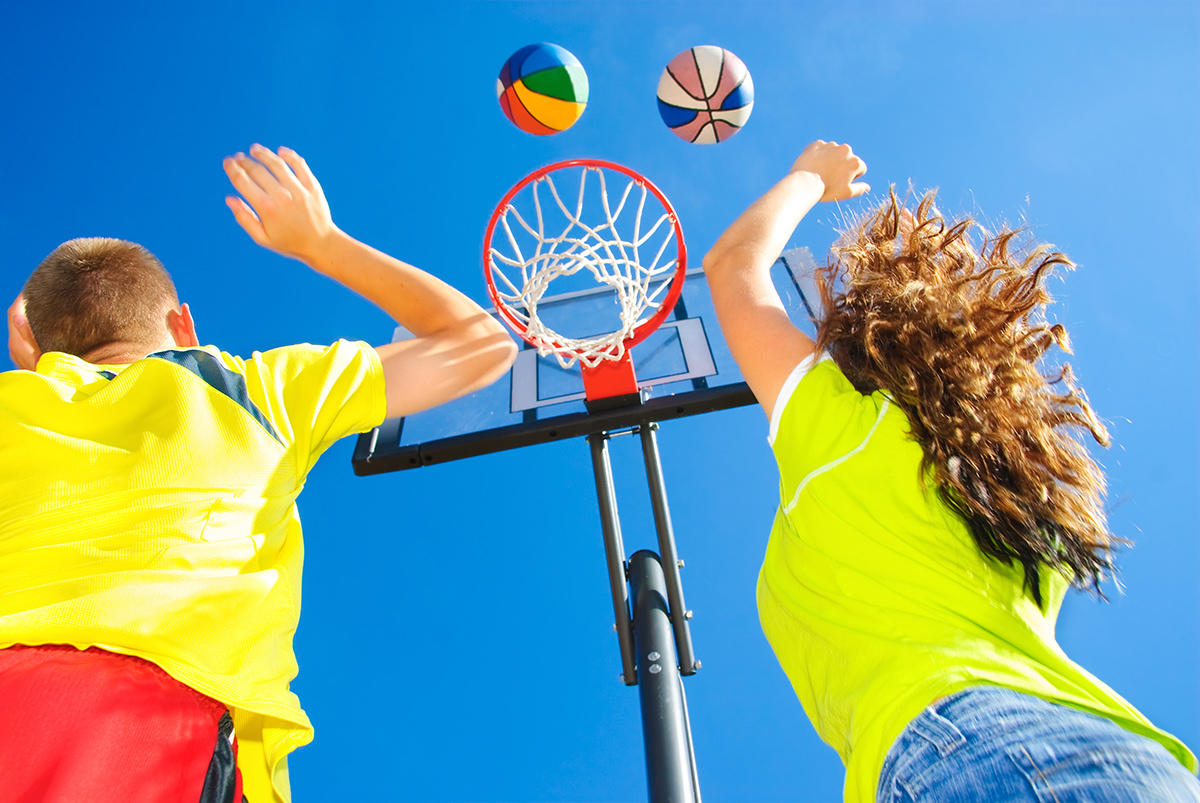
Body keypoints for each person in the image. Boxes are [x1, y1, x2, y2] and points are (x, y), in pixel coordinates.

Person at [0, 144, 517, 803]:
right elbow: (482, 344)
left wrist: (40, 366)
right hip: (149, 723)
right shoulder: (253, 388)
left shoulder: (15, 405)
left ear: (37, 348)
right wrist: (322, 242)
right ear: (181, 323)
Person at [702, 140, 1200, 803]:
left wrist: (809, 178)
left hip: (973, 747)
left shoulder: (849, 426)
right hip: (1144, 762)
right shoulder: (1018, 503)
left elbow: (734, 264)